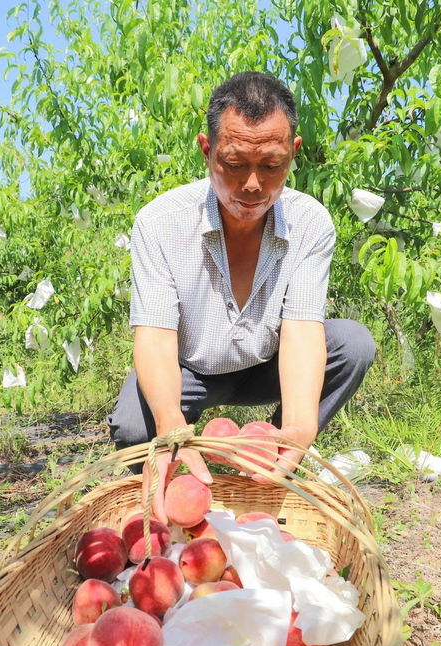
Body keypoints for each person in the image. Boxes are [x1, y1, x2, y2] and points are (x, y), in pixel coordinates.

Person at [107, 71, 375, 522]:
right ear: (207, 151)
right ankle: (174, 486)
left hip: (266, 364)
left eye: (271, 166)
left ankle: (267, 462)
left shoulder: (310, 223)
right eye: (234, 164)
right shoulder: (160, 223)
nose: (253, 185)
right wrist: (171, 421)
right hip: (189, 368)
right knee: (137, 424)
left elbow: (302, 332)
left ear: (294, 153)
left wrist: (300, 429)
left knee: (352, 344)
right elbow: (153, 336)